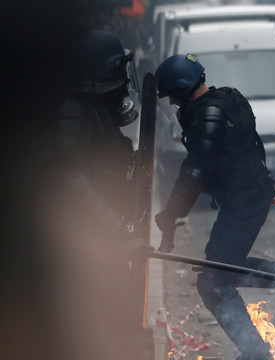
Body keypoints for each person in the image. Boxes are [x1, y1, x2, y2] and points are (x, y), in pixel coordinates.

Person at [153, 54, 275, 360]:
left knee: (212, 284)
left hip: (244, 203)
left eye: (174, 97)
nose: (174, 104)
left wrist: (171, 213)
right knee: (223, 268)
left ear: (183, 89)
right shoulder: (228, 98)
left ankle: (256, 353)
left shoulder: (207, 117)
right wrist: (267, 184)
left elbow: (195, 172)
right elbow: (249, 148)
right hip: (247, 197)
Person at [51, 29, 153, 359]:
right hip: (81, 245)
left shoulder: (93, 111)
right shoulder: (73, 114)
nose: (124, 82)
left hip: (99, 240)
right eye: (118, 72)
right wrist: (114, 229)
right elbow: (71, 177)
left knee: (121, 315)